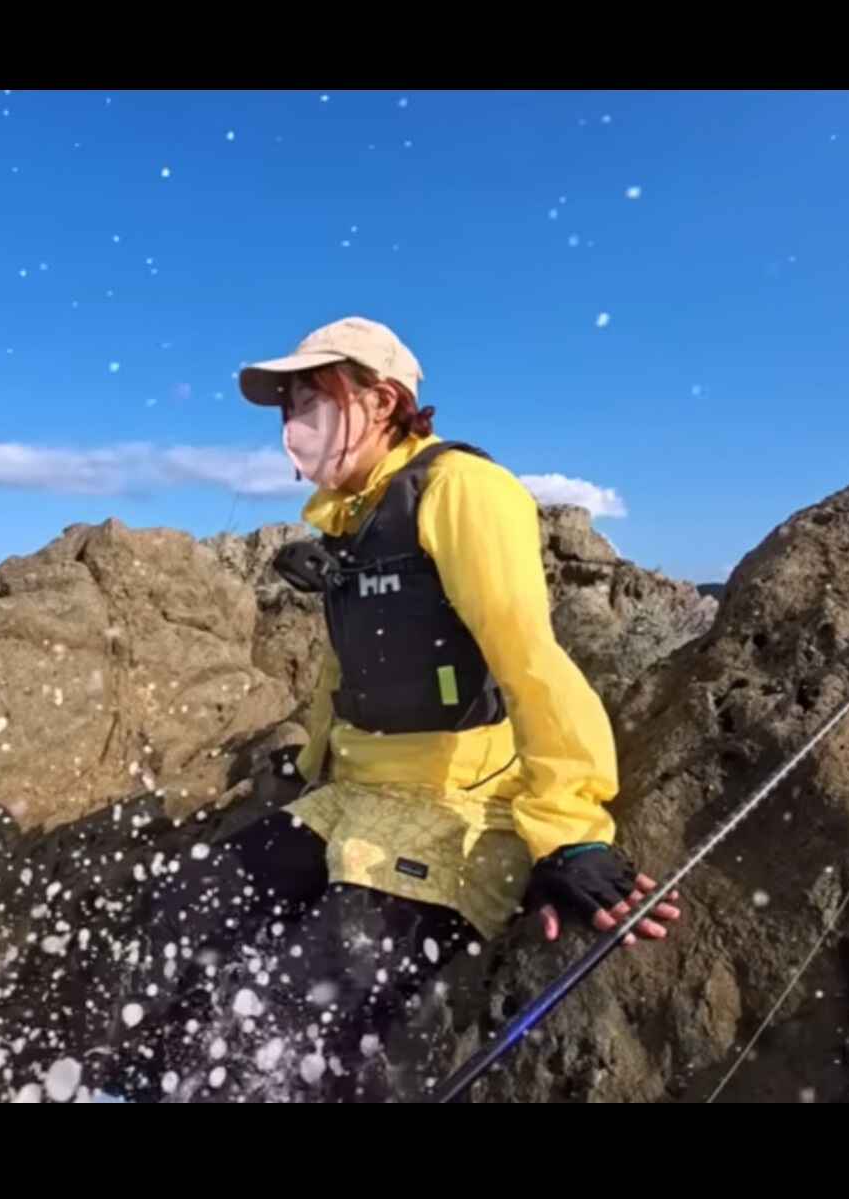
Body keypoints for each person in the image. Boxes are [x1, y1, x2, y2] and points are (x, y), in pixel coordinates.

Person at [108, 316, 681, 1103]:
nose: (292, 425)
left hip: (458, 809)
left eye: (311, 399)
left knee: (293, 1015)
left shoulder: (463, 492)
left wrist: (571, 833)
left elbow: (530, 659)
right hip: (352, 800)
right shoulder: (350, 518)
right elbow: (349, 670)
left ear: (379, 402)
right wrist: (309, 767)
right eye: (287, 408)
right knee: (178, 909)